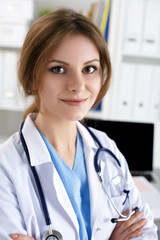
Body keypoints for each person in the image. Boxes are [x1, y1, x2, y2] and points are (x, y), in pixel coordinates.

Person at [0, 8, 158, 240]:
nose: (78, 85)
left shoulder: (106, 149)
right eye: (58, 69)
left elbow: (145, 232)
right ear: (32, 77)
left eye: (89, 69)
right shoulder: (6, 167)